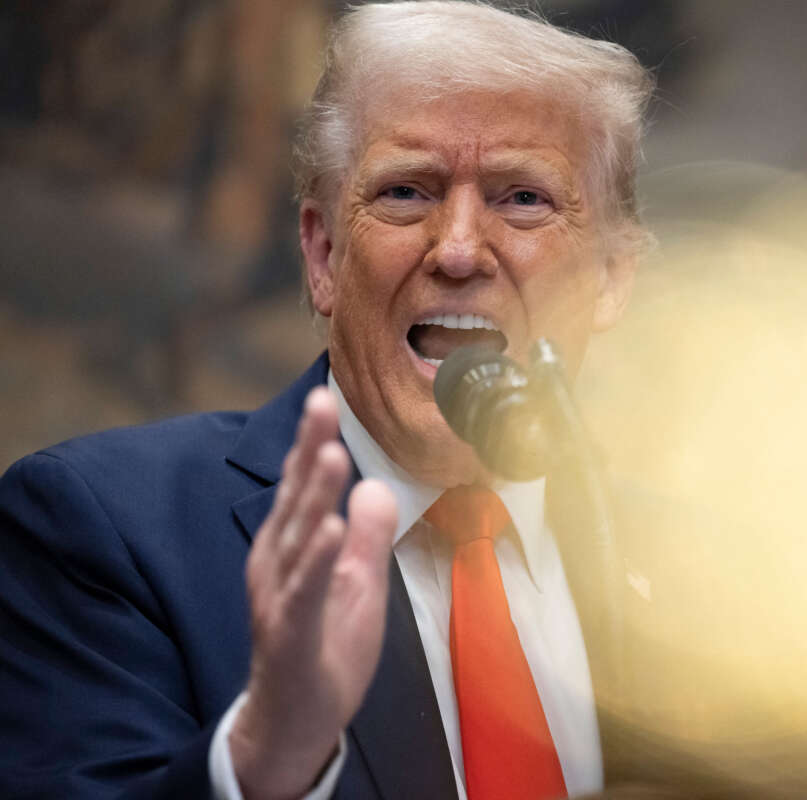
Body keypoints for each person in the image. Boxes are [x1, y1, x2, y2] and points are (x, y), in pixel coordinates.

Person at [0, 2, 653, 798]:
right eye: (407, 191)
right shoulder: (101, 531)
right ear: (322, 254)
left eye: (522, 199)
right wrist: (264, 760)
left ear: (612, 277)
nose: (455, 249)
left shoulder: (691, 567)